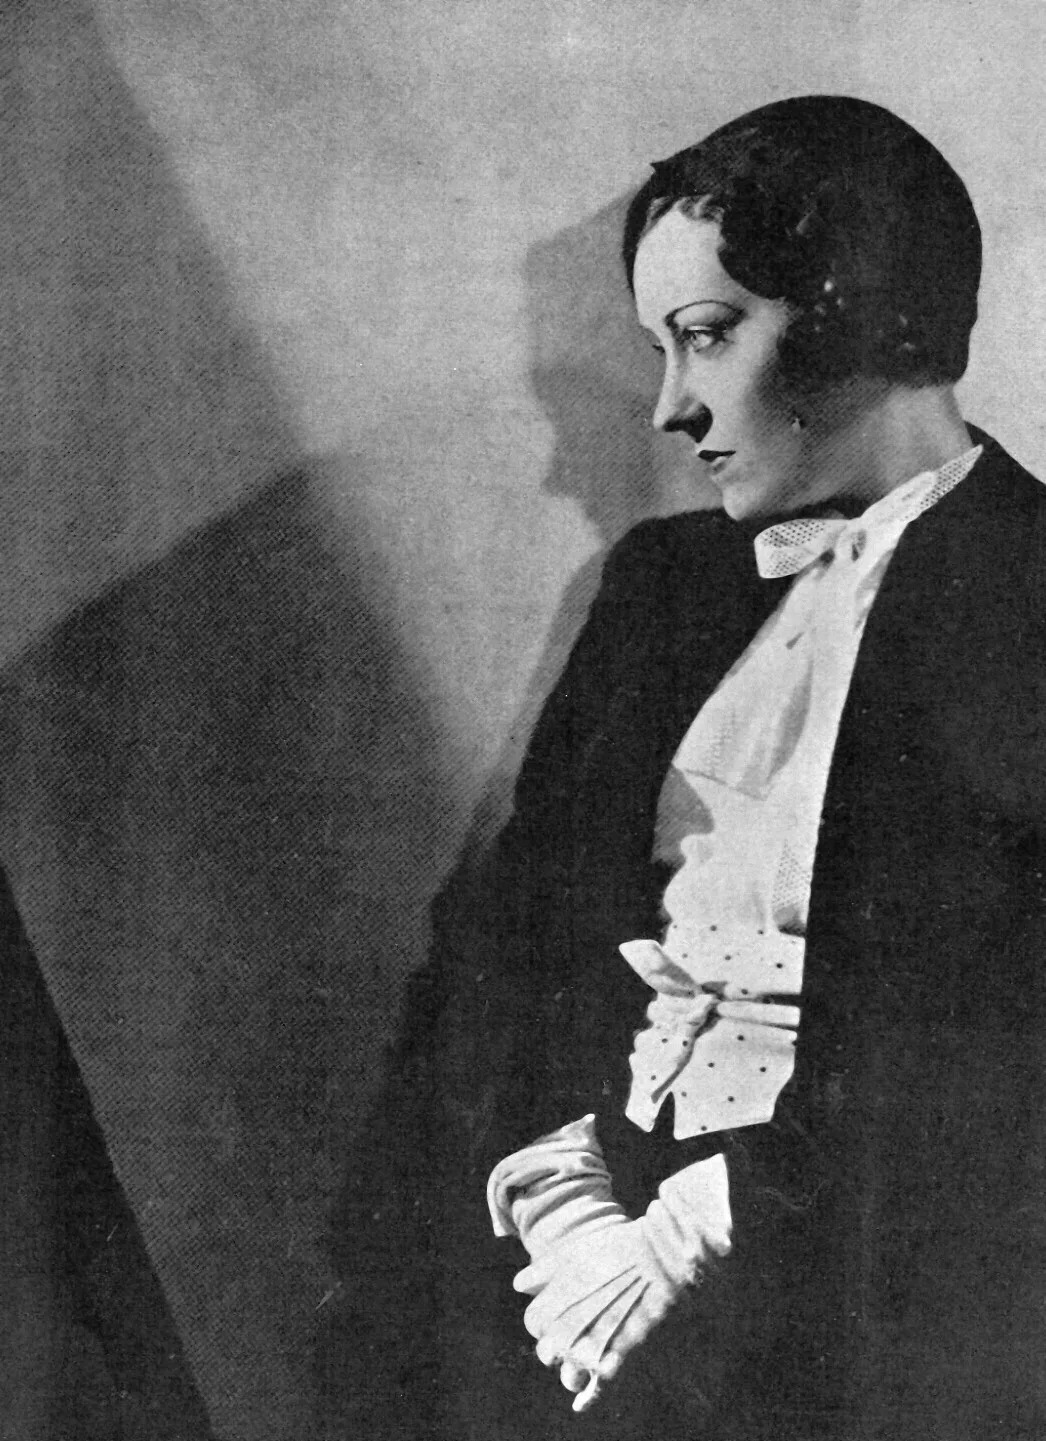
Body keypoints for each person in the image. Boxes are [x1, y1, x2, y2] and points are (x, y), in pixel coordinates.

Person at [326, 96, 1046, 1441]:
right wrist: (565, 1204)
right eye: (660, 350)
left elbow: (1001, 1057)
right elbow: (507, 936)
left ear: (864, 311)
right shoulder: (661, 590)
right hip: (574, 1228)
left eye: (707, 335)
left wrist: (694, 1237)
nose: (670, 407)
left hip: (871, 1280)